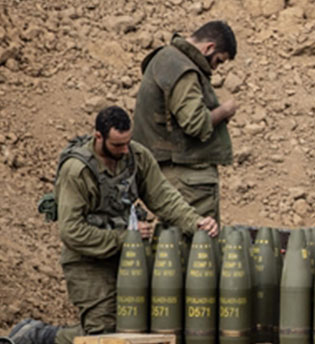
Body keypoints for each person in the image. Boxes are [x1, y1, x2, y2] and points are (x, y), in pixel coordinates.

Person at [8, 106, 218, 344]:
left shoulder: (137, 157)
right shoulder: (77, 171)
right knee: (104, 337)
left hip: (126, 256)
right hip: (86, 260)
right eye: (118, 145)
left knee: (136, 326)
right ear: (99, 137)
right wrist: (125, 237)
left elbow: (163, 197)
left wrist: (195, 222)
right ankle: (40, 337)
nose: (125, 150)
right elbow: (71, 232)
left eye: (128, 142)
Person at [132, 20, 239, 222]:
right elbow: (196, 123)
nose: (215, 68)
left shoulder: (167, 59)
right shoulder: (182, 68)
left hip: (174, 174)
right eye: (218, 61)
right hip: (187, 179)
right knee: (197, 246)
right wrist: (225, 111)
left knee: (177, 245)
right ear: (209, 47)